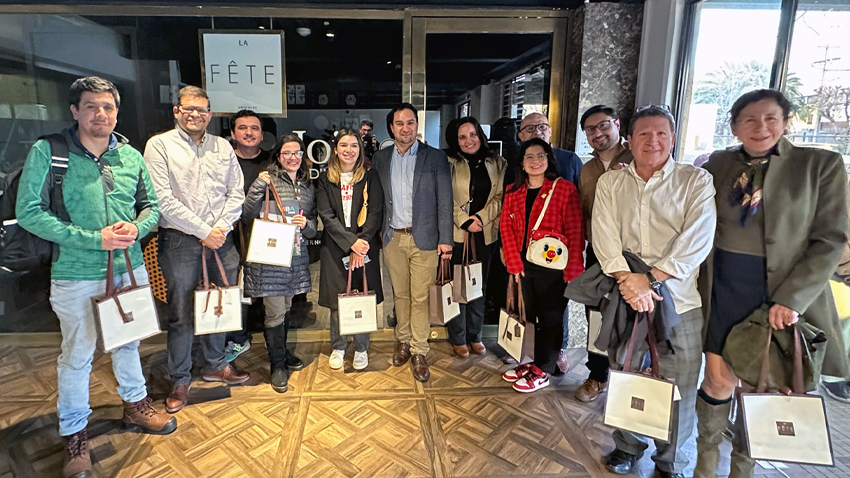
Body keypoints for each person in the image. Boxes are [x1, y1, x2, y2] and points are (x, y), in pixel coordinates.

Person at [17, 76, 176, 478]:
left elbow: (151, 208)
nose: (100, 114)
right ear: (75, 111)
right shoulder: (49, 152)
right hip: (76, 273)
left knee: (128, 343)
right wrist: (93, 239)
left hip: (130, 267)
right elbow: (29, 212)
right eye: (91, 106)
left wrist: (137, 228)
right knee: (78, 356)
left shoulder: (130, 156)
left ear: (117, 113)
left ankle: (136, 405)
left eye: (108, 107)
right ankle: (75, 435)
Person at [695, 89, 849, 478]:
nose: (760, 127)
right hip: (723, 287)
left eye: (770, 118)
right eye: (749, 119)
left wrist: (792, 299)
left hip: (780, 294)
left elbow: (830, 239)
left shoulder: (819, 165)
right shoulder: (718, 163)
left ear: (785, 122)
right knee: (717, 381)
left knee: (761, 387)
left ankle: (742, 470)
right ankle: (704, 468)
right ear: (734, 126)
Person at [594, 106, 716, 478]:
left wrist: (651, 279)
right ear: (629, 139)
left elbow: (698, 239)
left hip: (680, 300)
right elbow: (604, 236)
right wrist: (629, 281)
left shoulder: (695, 180)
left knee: (680, 385)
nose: (653, 141)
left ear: (673, 138)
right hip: (627, 297)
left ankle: (670, 461)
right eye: (644, 134)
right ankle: (627, 446)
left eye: (661, 133)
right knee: (625, 371)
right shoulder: (611, 183)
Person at [143, 85, 249, 414]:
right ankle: (180, 378)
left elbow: (237, 191)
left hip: (221, 238)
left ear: (210, 114)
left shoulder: (222, 146)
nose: (195, 114)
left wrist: (219, 230)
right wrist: (204, 231)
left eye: (201, 109)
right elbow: (162, 200)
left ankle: (216, 364)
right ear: (176, 111)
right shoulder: (159, 145)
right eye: (188, 108)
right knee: (181, 312)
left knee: (220, 303)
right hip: (180, 241)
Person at [371, 103, 453, 382]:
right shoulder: (381, 158)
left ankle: (419, 349)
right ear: (391, 128)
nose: (405, 128)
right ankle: (403, 340)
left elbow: (445, 200)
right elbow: (376, 200)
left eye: (410, 122)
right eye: (399, 123)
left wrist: (446, 239)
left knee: (420, 297)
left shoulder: (435, 157)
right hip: (393, 237)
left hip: (425, 239)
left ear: (417, 125)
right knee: (401, 295)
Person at [500, 138, 584, 392]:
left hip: (554, 266)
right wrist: (513, 261)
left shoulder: (564, 189)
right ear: (521, 163)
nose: (535, 161)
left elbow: (575, 230)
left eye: (541, 156)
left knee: (551, 317)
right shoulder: (513, 191)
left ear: (549, 160)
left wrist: (573, 268)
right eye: (529, 157)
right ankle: (531, 361)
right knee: (529, 315)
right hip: (523, 264)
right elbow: (505, 227)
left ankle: (543, 369)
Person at [240, 134, 316, 392]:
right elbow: (247, 214)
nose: (292, 158)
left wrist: (307, 225)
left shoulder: (306, 185)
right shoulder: (267, 178)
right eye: (287, 153)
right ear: (278, 156)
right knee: (274, 311)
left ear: (303, 156)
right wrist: (258, 186)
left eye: (297, 153)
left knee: (285, 307)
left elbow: (313, 224)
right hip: (270, 257)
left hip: (295, 256)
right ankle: (277, 365)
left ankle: (282, 353)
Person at [573, 105, 633, 403]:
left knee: (633, 317)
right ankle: (597, 375)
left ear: (617, 124)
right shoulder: (587, 169)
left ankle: (630, 380)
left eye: (603, 125)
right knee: (596, 314)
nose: (598, 133)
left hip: (635, 255)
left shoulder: (638, 159)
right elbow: (585, 213)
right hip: (598, 254)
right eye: (590, 129)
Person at [316, 128, 384, 370]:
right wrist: (350, 242)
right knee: (338, 299)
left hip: (365, 246)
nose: (349, 150)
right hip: (335, 247)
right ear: (335, 149)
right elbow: (326, 215)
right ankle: (338, 346)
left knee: (363, 295)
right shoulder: (325, 178)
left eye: (354, 145)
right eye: (343, 145)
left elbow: (375, 212)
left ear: (360, 149)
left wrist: (360, 244)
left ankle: (361, 348)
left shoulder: (370, 176)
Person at [446, 117, 506, 357]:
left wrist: (479, 218)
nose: (468, 140)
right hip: (457, 233)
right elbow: (444, 196)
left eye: (472, 134)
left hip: (484, 233)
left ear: (480, 135)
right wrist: (464, 220)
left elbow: (500, 196)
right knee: (456, 287)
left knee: (477, 287)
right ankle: (458, 336)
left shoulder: (497, 162)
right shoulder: (448, 162)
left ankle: (475, 335)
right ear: (456, 141)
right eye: (462, 137)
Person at [224, 109, 272, 364]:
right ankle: (237, 338)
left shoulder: (271, 162)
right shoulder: (223, 161)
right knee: (235, 288)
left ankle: (272, 343)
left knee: (268, 290)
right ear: (233, 133)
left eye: (254, 128)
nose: (249, 133)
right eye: (242, 128)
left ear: (262, 135)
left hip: (266, 236)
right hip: (231, 237)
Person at [506, 112, 583, 189]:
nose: (537, 132)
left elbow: (583, 192)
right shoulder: (514, 161)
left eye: (542, 127)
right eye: (530, 128)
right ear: (521, 136)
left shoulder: (570, 159)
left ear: (550, 131)